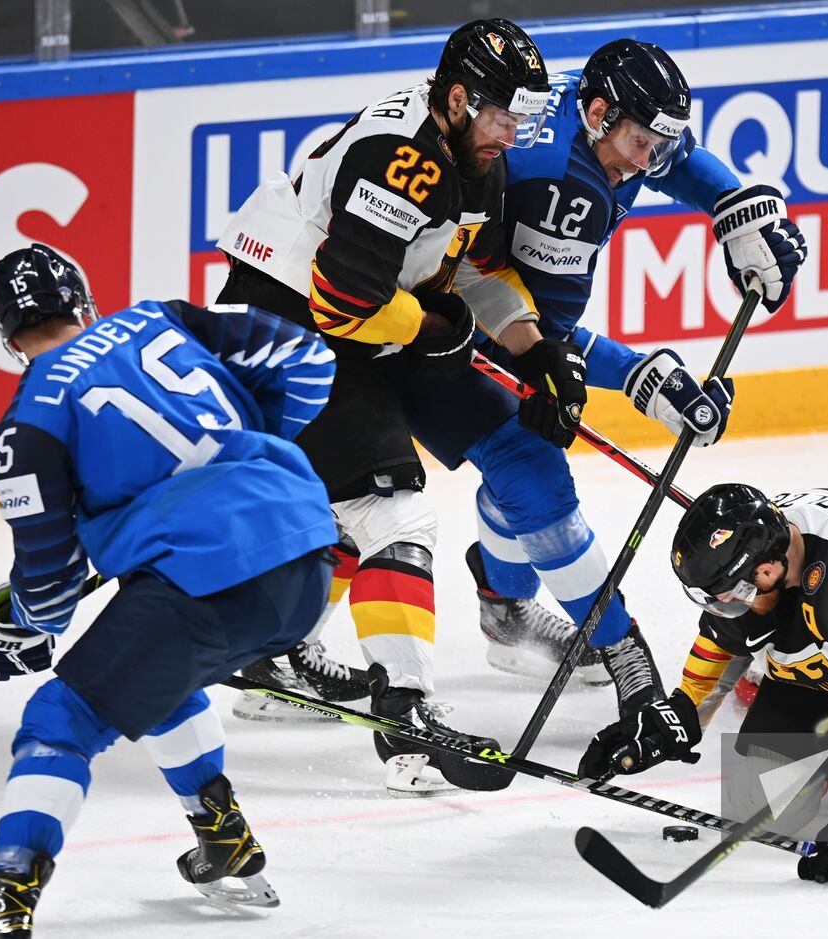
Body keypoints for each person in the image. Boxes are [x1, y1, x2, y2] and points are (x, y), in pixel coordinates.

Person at [396, 38, 808, 717]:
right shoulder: (560, 186)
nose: (651, 160)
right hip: (410, 314)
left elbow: (676, 158)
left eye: (659, 140)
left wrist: (738, 206)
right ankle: (620, 656)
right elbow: (533, 337)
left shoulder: (596, 118)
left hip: (454, 296)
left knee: (526, 450)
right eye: (642, 142)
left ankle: (503, 608)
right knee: (482, 471)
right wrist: (647, 377)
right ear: (595, 114)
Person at [214, 19, 565, 792]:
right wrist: (440, 328)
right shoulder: (404, 159)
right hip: (282, 319)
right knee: (395, 510)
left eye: (523, 119)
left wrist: (531, 346)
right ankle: (405, 718)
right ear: (461, 97)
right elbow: (343, 302)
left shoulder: (473, 152)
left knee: (355, 505)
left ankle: (274, 652)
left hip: (316, 319)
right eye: (506, 115)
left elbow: (470, 269)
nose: (514, 133)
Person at [0, 244, 337, 934]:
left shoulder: (24, 429)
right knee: (149, 670)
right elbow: (310, 359)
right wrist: (241, 459)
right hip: (305, 549)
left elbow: (49, 596)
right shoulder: (161, 318)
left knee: (59, 722)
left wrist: (12, 619)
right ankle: (225, 841)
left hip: (208, 584)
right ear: (84, 301)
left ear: (8, 339)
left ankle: (2, 905)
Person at [578, 481, 828, 888]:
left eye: (732, 597)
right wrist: (681, 714)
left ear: (767, 570)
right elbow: (724, 635)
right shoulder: (762, 554)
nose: (729, 608)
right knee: (758, 803)